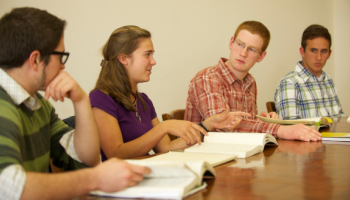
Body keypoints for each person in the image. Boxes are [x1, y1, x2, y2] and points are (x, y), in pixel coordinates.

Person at [0, 7, 150, 200]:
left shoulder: (39, 106)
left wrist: (81, 100)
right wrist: (94, 179)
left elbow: (85, 158)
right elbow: (7, 186)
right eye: (60, 56)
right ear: (36, 60)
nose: (63, 66)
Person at [89, 25, 251, 160]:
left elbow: (166, 147)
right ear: (124, 58)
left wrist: (208, 125)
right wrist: (163, 127)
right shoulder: (101, 98)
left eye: (152, 54)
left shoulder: (143, 101)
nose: (153, 61)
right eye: (147, 54)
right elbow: (115, 154)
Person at [184, 21, 321, 142]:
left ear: (261, 56)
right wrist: (280, 130)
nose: (243, 53)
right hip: (203, 158)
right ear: (231, 43)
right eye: (240, 44)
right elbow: (224, 126)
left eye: (252, 49)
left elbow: (241, 127)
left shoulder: (250, 82)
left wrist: (259, 120)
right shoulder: (207, 78)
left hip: (235, 155)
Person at [274, 24, 344, 120]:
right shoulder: (290, 83)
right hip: (311, 135)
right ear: (302, 52)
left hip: (336, 135)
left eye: (323, 51)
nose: (319, 57)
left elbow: (340, 120)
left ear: (329, 54)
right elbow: (291, 129)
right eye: (313, 50)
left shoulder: (328, 81)